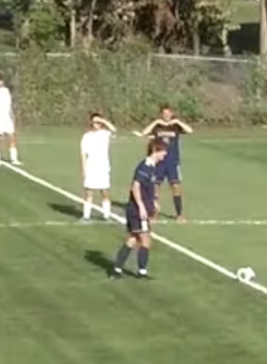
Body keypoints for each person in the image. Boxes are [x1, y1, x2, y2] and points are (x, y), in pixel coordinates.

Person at [109, 139, 168, 280]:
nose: (164, 155)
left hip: (142, 208)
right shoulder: (145, 166)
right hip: (136, 210)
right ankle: (142, 272)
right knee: (145, 239)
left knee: (133, 239)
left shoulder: (152, 166)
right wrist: (141, 207)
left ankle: (117, 269)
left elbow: (150, 186)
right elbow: (135, 186)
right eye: (163, 152)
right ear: (156, 150)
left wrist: (154, 201)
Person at [141, 104, 193, 222]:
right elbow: (144, 132)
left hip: (173, 162)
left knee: (176, 187)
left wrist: (178, 121)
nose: (167, 116)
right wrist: (156, 122)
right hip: (159, 162)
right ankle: (153, 213)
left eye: (169, 114)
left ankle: (179, 214)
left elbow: (190, 130)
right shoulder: (157, 126)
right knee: (155, 188)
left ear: (172, 113)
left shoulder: (175, 126)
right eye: (164, 114)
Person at [80, 113, 117, 222]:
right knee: (89, 192)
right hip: (91, 167)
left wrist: (103, 121)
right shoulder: (86, 136)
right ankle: (86, 216)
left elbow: (114, 130)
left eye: (99, 122)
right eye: (95, 122)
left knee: (105, 192)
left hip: (103, 167)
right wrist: (84, 168)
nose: (97, 124)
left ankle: (106, 216)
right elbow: (83, 154)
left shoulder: (105, 133)